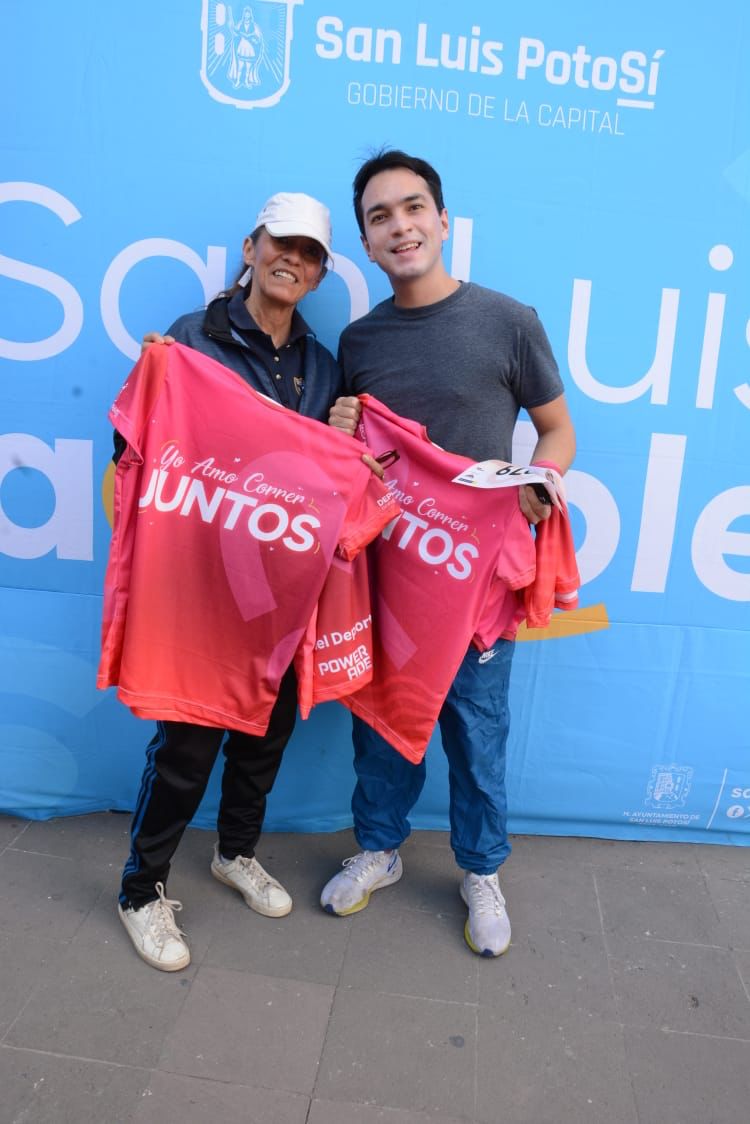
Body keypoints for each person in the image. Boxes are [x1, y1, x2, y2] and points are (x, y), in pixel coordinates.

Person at [322, 150, 576, 957]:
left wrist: (544, 479)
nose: (400, 226)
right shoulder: (358, 341)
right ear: (366, 241)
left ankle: (480, 870)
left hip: (479, 583)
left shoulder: (509, 321)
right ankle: (380, 849)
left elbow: (558, 431)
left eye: (412, 207)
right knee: (383, 726)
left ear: (442, 219)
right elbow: (351, 454)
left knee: (476, 729)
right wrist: (337, 440)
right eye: (380, 216)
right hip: (391, 578)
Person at [116, 192, 351, 972]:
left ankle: (234, 852)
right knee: (185, 744)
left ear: (318, 273)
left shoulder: (323, 364)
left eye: (310, 253)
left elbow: (328, 481)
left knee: (266, 732)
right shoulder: (190, 340)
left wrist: (345, 441)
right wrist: (158, 376)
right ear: (250, 247)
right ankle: (140, 891)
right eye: (281, 243)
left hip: (284, 597)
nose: (293, 259)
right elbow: (136, 448)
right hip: (202, 592)